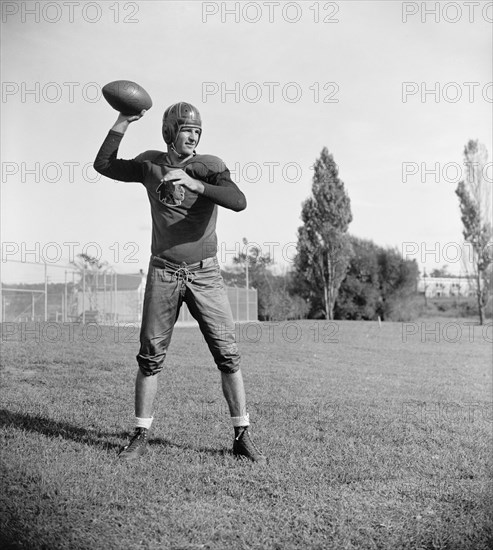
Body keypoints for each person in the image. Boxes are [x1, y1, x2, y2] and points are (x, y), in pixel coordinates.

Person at [94, 102, 266, 463]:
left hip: (205, 273)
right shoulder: (151, 163)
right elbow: (104, 165)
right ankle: (141, 434)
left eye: (198, 131)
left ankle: (241, 435)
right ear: (170, 131)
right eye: (188, 129)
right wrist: (123, 120)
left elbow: (239, 201)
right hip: (163, 270)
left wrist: (195, 183)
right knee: (150, 357)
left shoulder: (210, 166)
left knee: (228, 355)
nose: (194, 136)